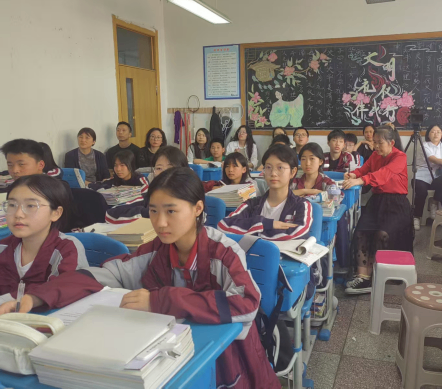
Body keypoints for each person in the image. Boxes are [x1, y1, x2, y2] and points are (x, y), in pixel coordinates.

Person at [10, 168, 281, 389]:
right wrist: (37, 296)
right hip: (166, 352)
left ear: (198, 208)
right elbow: (103, 275)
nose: (160, 222)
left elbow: (247, 302)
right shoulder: (155, 251)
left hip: (226, 356)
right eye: (153, 211)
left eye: (171, 211)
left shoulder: (222, 252)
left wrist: (160, 300)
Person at [0, 174, 89, 314]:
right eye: (12, 205)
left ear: (56, 213)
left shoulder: (67, 249)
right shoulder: (3, 248)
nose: (18, 214)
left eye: (30, 206)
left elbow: (67, 287)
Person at [342, 125, 413, 295]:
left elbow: (384, 174)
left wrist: (361, 180)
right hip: (377, 201)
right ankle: (363, 277)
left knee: (383, 234)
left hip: (397, 204)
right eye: (374, 142)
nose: (376, 146)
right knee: (361, 232)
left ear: (391, 143)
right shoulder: (375, 155)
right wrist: (354, 174)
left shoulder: (400, 157)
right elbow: (364, 169)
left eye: (380, 143)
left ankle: (378, 274)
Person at [218, 144, 313, 241]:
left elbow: (300, 232)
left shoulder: (301, 205)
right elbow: (223, 225)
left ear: (293, 172)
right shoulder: (252, 204)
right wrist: (265, 223)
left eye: (280, 168)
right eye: (268, 167)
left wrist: (254, 234)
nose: (273, 173)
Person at [105, 147, 189, 225]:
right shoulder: (152, 196)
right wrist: (148, 212)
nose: (164, 173)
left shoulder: (189, 197)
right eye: (159, 168)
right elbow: (111, 214)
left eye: (170, 168)